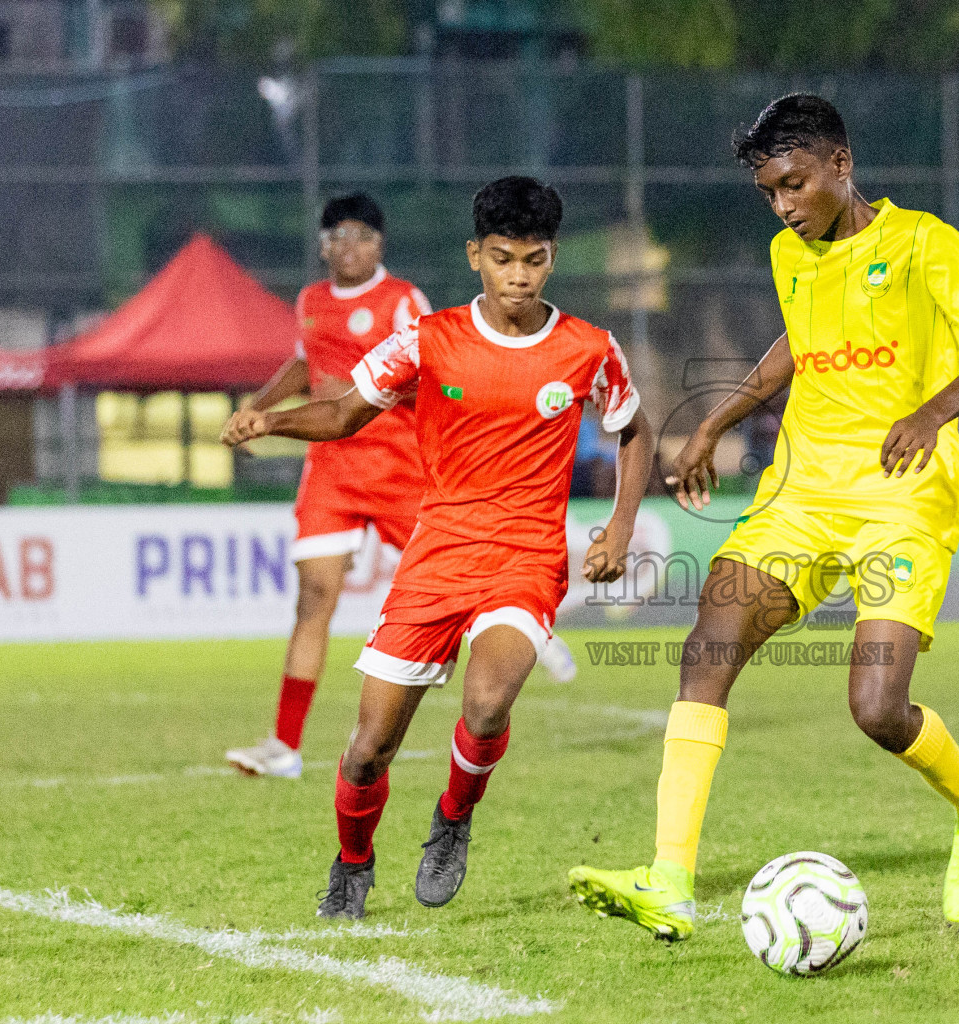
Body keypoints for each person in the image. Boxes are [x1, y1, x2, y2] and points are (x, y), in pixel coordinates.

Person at [567, 93, 959, 940]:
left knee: (878, 711)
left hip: (903, 490)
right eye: (770, 192)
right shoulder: (791, 253)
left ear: (840, 167)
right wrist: (713, 421)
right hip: (801, 493)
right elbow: (797, 342)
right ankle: (669, 880)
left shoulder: (925, 243)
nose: (782, 205)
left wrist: (930, 413)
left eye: (794, 183)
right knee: (706, 651)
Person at [220, 177, 653, 919]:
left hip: (524, 559)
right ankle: (353, 863)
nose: (518, 276)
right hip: (437, 556)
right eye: (503, 258)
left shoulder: (588, 347)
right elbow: (344, 412)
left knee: (486, 706)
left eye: (534, 260)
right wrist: (273, 422)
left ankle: (452, 819)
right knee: (366, 750)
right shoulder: (428, 339)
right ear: (474, 256)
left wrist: (616, 528)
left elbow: (633, 429)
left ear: (552, 260)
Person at [224, 194, 433, 779]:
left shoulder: (402, 301)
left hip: (398, 467)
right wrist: (255, 409)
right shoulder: (311, 301)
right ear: (323, 246)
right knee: (314, 598)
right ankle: (285, 746)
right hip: (332, 472)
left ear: (379, 244)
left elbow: (434, 376)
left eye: (362, 235)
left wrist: (362, 393)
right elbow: (302, 365)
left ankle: (522, 627)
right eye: (337, 236)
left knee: (451, 580)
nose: (350, 247)